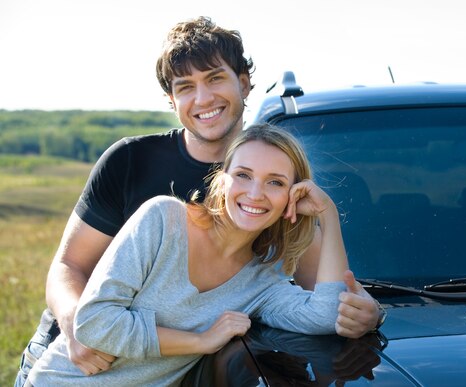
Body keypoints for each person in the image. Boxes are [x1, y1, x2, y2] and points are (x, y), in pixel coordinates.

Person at [15, 16, 382, 387]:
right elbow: (69, 266)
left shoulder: (265, 225)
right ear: (172, 100)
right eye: (185, 86)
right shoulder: (132, 166)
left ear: (244, 82)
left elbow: (328, 293)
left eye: (215, 78)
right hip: (70, 358)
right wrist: (78, 326)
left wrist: (371, 313)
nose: (203, 98)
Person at [26, 123, 351, 386]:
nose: (255, 193)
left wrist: (328, 214)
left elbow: (326, 316)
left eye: (275, 183)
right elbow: (94, 324)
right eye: (243, 175)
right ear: (222, 179)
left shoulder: (263, 282)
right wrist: (200, 341)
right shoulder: (162, 220)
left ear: (291, 198)